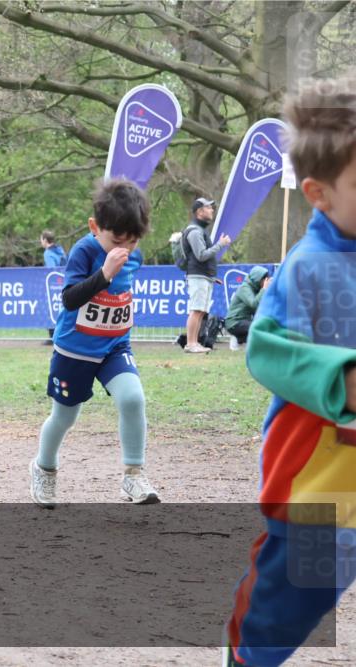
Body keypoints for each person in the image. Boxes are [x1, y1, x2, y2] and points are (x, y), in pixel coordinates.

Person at [223, 78, 356, 667]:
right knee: (280, 620)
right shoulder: (310, 267)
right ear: (319, 193)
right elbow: (266, 349)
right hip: (319, 490)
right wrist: (342, 378)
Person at [29, 178, 159, 508]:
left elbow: (121, 291)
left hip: (115, 346)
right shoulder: (84, 251)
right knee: (64, 417)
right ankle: (44, 467)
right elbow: (70, 299)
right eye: (117, 240)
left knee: (132, 399)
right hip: (75, 351)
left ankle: (133, 474)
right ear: (94, 227)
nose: (125, 249)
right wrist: (104, 274)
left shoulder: (134, 255)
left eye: (132, 241)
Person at [182, 196, 231, 353]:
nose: (212, 210)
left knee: (201, 311)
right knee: (196, 310)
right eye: (208, 207)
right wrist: (220, 245)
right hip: (197, 277)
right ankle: (190, 344)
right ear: (199, 212)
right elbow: (201, 255)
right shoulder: (195, 232)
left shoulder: (200, 230)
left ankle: (194, 343)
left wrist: (211, 277)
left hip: (203, 277)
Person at [223, 266, 270, 351]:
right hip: (234, 322)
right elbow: (254, 304)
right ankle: (237, 337)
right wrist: (264, 289)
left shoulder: (256, 288)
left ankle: (239, 338)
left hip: (244, 321)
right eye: (265, 280)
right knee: (258, 328)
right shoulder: (245, 288)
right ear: (258, 279)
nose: (266, 282)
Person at [40, 229, 67, 344]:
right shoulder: (60, 250)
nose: (40, 242)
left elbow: (51, 270)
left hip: (53, 285)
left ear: (45, 240)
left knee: (49, 309)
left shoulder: (48, 253)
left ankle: (52, 337)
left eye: (41, 239)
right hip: (64, 283)